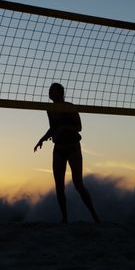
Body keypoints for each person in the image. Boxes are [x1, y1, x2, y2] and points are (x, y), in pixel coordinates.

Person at [34, 83, 100, 223]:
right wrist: (42, 139)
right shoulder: (50, 109)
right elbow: (52, 128)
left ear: (61, 92)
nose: (50, 92)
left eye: (53, 90)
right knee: (59, 186)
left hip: (72, 146)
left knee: (78, 183)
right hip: (58, 148)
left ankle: (94, 215)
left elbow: (79, 127)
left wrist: (65, 128)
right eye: (49, 90)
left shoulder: (70, 106)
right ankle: (64, 218)